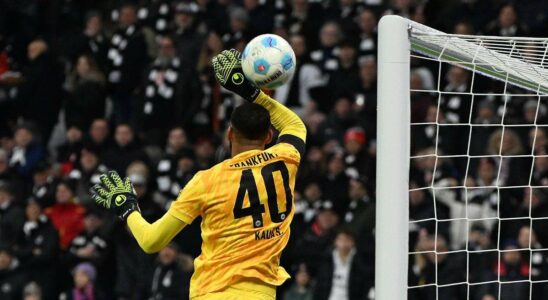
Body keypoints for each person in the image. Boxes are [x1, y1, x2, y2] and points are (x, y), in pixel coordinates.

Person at [91, 49, 306, 299]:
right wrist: (253, 93)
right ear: (269, 137)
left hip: (212, 291)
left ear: (229, 136)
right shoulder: (286, 159)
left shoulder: (207, 181)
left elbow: (151, 241)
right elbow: (294, 125)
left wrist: (127, 207)